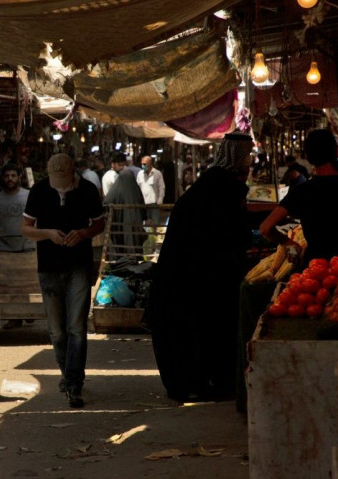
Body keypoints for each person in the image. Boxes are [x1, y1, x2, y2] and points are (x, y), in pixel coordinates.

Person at [143, 132, 254, 403]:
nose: (251, 161)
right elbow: (227, 232)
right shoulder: (223, 187)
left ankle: (201, 381)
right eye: (248, 155)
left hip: (191, 271)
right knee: (206, 327)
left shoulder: (214, 183)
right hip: (197, 274)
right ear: (237, 157)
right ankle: (209, 382)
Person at [22, 153, 105, 408]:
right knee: (57, 330)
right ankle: (66, 372)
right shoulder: (38, 190)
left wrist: (82, 234)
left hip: (78, 266)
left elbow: (99, 224)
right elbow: (25, 228)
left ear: (73, 173)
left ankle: (74, 383)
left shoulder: (88, 190)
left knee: (76, 327)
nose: (59, 183)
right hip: (48, 267)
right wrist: (47, 233)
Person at [260, 129, 338, 265]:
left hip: (316, 271)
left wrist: (287, 242)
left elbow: (265, 228)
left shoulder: (302, 191)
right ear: (335, 153)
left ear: (309, 158)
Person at [0, 164, 36, 329]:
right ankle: (15, 318)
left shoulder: (30, 196)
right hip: (5, 249)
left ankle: (29, 312)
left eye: (13, 176)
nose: (10, 179)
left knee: (28, 284)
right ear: (2, 178)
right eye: (7, 176)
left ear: (19, 177)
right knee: (9, 286)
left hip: (28, 246)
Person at [103, 169, 146, 259]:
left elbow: (106, 202)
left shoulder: (116, 189)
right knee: (135, 244)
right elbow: (143, 208)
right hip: (136, 225)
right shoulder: (136, 189)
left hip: (120, 225)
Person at [136, 155, 166, 224]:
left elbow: (161, 187)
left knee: (155, 225)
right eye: (142, 164)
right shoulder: (140, 174)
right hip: (143, 204)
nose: (142, 165)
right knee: (144, 225)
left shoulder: (157, 173)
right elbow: (137, 187)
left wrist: (160, 199)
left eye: (144, 164)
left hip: (154, 204)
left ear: (150, 163)